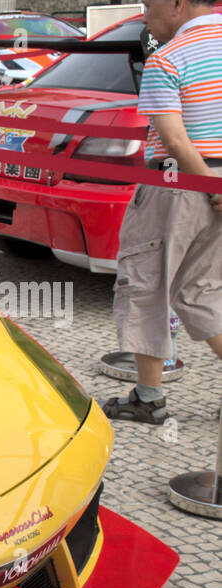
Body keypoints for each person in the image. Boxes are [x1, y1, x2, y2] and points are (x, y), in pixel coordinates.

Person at [101, 0, 222, 423]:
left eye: (150, 5)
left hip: (179, 185)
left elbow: (173, 138)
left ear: (177, 4)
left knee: (145, 283)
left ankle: (148, 398)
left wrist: (209, 184)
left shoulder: (169, 58)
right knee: (204, 290)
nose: (145, 15)